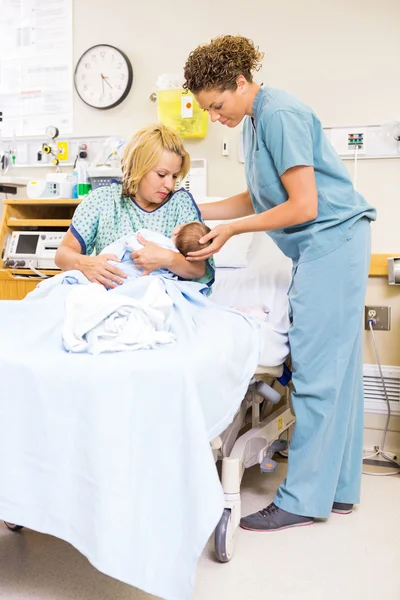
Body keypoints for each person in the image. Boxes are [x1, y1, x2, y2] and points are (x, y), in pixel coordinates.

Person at [183, 35, 376, 531]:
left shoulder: (279, 114)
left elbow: (304, 206)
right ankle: (338, 492)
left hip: (330, 243)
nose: (214, 118)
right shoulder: (254, 121)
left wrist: (228, 233)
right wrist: (190, 208)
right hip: (328, 245)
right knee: (340, 374)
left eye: (218, 105)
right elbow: (258, 196)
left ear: (242, 83)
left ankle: (303, 500)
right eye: (207, 110)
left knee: (315, 374)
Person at [55, 124, 214, 292]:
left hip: (161, 298)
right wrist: (87, 263)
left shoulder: (180, 204)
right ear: (138, 167)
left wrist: (168, 258)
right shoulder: (103, 200)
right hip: (111, 296)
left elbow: (198, 270)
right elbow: (62, 255)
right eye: (161, 174)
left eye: (174, 176)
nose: (169, 184)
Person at [99, 221, 212, 282]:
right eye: (161, 175)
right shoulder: (179, 259)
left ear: (177, 231)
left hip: (130, 271)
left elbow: (132, 241)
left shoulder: (160, 240)